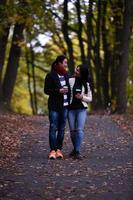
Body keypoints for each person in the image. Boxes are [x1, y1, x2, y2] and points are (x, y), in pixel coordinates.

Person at [44, 55, 70, 159]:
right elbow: (46, 90)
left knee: (62, 128)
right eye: (65, 62)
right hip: (54, 107)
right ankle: (52, 150)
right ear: (59, 63)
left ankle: (59, 150)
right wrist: (59, 91)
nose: (66, 64)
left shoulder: (66, 75)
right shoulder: (50, 75)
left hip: (65, 106)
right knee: (53, 127)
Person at [68, 64, 92, 159]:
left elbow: (90, 99)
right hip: (71, 109)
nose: (75, 71)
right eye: (76, 69)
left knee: (79, 130)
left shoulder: (86, 84)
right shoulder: (70, 80)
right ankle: (75, 149)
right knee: (72, 131)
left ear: (82, 73)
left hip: (81, 109)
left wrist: (82, 97)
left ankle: (77, 151)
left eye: (78, 70)